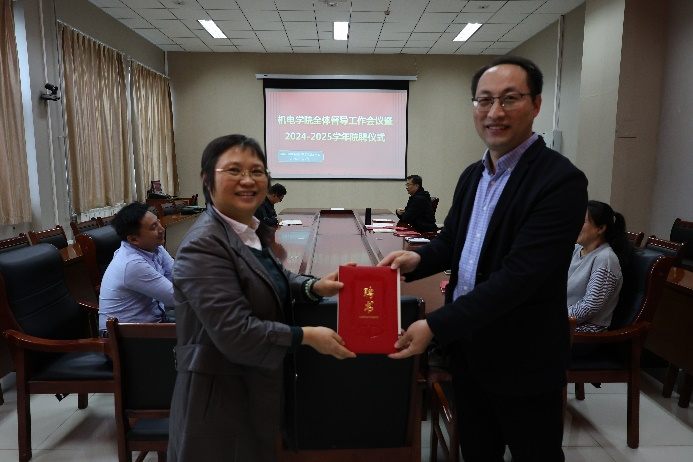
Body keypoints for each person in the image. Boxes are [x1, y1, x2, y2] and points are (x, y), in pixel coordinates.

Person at [379, 56, 588, 461]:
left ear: (536, 104)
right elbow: (452, 241)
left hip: (524, 356)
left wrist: (435, 325)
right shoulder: (473, 175)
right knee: (477, 451)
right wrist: (416, 262)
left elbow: (520, 278)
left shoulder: (559, 180)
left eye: (510, 98)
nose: (495, 112)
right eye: (485, 100)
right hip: (469, 350)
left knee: (536, 455)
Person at [168, 134, 355, 462]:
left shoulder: (244, 231)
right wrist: (306, 336)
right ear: (207, 179)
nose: (248, 180)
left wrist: (313, 287)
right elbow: (235, 333)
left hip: (253, 385)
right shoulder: (204, 245)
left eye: (257, 171)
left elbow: (276, 277)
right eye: (234, 171)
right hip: (220, 398)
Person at [98, 201, 175, 331]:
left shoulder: (154, 247)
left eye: (158, 222)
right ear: (134, 239)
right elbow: (175, 298)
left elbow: (178, 275)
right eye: (153, 227)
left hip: (152, 323)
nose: (162, 229)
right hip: (125, 336)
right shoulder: (132, 264)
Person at [568, 200, 632, 333]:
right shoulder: (576, 249)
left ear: (601, 228)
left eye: (582, 221)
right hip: (565, 322)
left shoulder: (605, 259)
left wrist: (553, 316)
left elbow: (589, 307)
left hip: (585, 331)